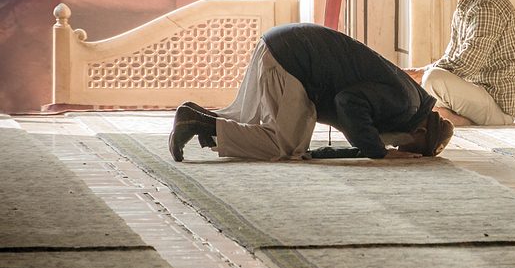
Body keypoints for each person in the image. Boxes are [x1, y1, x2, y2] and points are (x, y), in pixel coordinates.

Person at [168, 23, 454, 162]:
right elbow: (349, 103)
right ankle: (198, 123)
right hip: (293, 61)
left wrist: (368, 150)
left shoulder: (409, 99)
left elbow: (356, 130)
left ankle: (201, 118)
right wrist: (381, 154)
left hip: (283, 48)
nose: (399, 149)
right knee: (284, 147)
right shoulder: (404, 105)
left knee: (256, 126)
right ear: (419, 133)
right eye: (407, 148)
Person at [404, 0, 515, 126]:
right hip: (476, 96)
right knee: (423, 94)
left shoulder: (486, 6)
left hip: (497, 106)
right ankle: (456, 119)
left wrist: (420, 73)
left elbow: (465, 64)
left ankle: (455, 119)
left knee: (432, 79)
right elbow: (450, 57)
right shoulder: (467, 3)